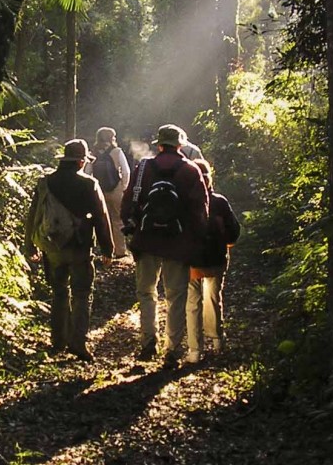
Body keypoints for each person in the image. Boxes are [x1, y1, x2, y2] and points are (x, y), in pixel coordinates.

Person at [121, 124, 209, 366]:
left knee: (147, 292)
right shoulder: (191, 170)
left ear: (159, 144)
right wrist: (198, 241)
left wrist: (130, 227)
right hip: (177, 243)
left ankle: (148, 342)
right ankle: (172, 349)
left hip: (146, 240)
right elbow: (200, 210)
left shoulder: (143, 168)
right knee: (176, 296)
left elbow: (128, 201)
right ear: (180, 145)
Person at [23, 139, 114, 362]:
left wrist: (30, 245)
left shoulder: (45, 182)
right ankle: (78, 343)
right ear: (81, 161)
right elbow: (101, 218)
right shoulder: (89, 184)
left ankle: (57, 340)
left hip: (52, 247)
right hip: (79, 247)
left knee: (59, 292)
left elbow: (34, 215)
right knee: (81, 293)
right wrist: (107, 248)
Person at [186, 159, 241, 360]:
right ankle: (217, 340)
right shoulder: (220, 201)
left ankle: (195, 350)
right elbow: (234, 231)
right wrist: (226, 245)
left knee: (193, 303)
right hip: (216, 258)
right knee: (213, 298)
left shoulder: (185, 202)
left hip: (191, 260)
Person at [85, 127, 132, 257]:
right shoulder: (117, 151)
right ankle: (120, 251)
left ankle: (105, 250)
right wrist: (124, 187)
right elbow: (126, 171)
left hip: (99, 190)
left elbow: (87, 173)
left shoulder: (93, 152)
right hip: (116, 189)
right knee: (117, 220)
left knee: (102, 220)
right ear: (112, 138)